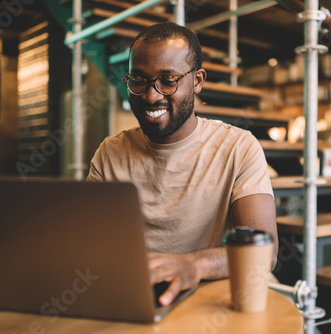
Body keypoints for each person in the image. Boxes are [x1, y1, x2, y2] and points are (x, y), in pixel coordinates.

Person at [87, 22, 277, 307]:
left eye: (168, 79)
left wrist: (194, 266)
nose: (152, 96)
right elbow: (88, 244)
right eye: (138, 80)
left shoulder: (238, 147)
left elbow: (266, 252)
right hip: (131, 296)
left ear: (197, 80)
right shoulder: (109, 153)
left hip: (207, 298)